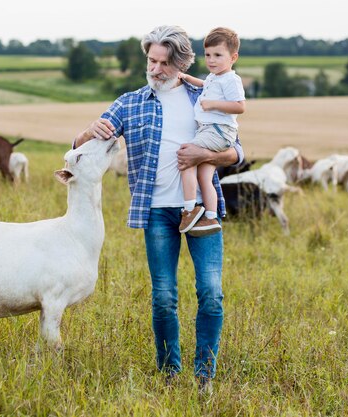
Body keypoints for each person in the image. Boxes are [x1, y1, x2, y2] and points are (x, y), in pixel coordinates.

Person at [73, 25, 244, 393]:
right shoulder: (130, 102)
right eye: (152, 60)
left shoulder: (204, 93)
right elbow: (78, 149)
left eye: (165, 63)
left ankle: (204, 376)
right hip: (155, 213)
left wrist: (205, 154)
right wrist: (87, 131)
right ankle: (169, 373)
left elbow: (236, 152)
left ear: (181, 64)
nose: (156, 69)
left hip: (201, 210)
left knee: (211, 293)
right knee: (164, 297)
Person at [178, 27, 246, 236]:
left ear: (233, 57)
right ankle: (210, 216)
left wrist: (213, 105)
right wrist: (187, 78)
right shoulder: (214, 77)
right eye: (208, 55)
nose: (211, 60)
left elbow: (240, 106)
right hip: (213, 131)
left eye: (218, 55)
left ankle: (189, 210)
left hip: (217, 131)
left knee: (187, 157)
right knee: (205, 176)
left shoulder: (231, 79)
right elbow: (204, 85)